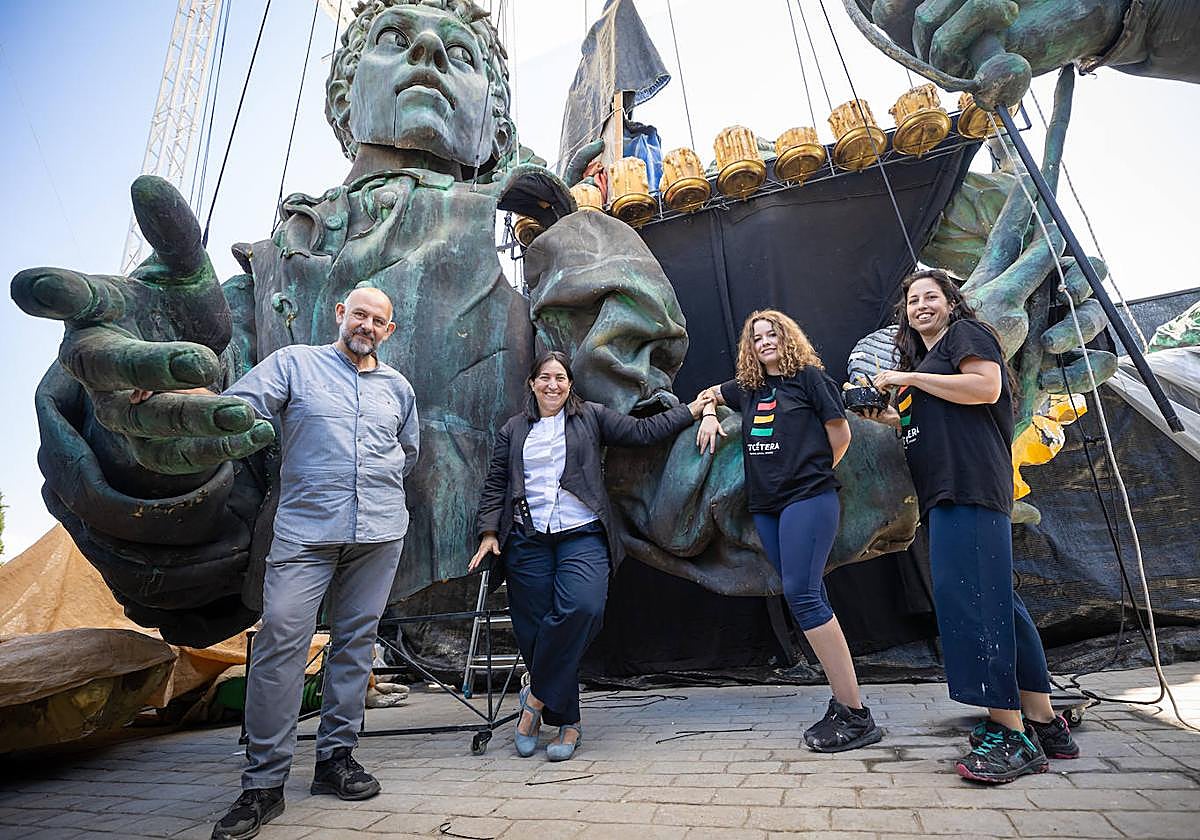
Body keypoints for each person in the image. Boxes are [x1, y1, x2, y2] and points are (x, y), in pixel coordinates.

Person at [201, 287, 419, 838]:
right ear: (341, 315)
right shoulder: (294, 364)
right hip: (306, 531)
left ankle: (334, 761)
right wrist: (179, 401)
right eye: (360, 314)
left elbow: (407, 451)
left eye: (379, 320)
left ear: (389, 332)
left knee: (355, 644)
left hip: (379, 531)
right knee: (280, 640)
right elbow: (239, 407)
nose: (367, 325)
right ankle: (263, 785)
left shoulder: (399, 388)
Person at [859, 268, 1079, 784]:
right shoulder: (929, 363)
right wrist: (884, 416)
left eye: (930, 296)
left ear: (951, 303)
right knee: (1000, 603)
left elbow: (985, 387)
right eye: (912, 300)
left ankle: (1010, 735)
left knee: (974, 604)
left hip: (969, 487)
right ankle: (1045, 723)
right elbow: (926, 419)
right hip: (948, 492)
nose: (920, 306)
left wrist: (908, 380)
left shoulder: (966, 335)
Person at [470, 350, 711, 761]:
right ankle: (569, 722)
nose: (553, 385)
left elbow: (644, 432)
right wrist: (489, 532)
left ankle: (534, 703)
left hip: (581, 533)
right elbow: (496, 482)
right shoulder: (513, 430)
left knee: (582, 609)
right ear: (532, 383)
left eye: (561, 378)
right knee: (534, 629)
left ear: (569, 384)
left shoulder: (591, 417)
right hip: (527, 538)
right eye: (545, 377)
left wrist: (692, 410)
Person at [695, 310, 882, 753]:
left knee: (803, 594)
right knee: (804, 593)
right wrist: (707, 414)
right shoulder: (748, 389)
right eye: (756, 337)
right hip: (767, 509)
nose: (763, 342)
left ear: (786, 338)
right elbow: (708, 394)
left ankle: (855, 713)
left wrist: (811, 478)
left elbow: (841, 436)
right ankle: (845, 703)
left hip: (808, 500)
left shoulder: (811, 379)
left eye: (771, 334)